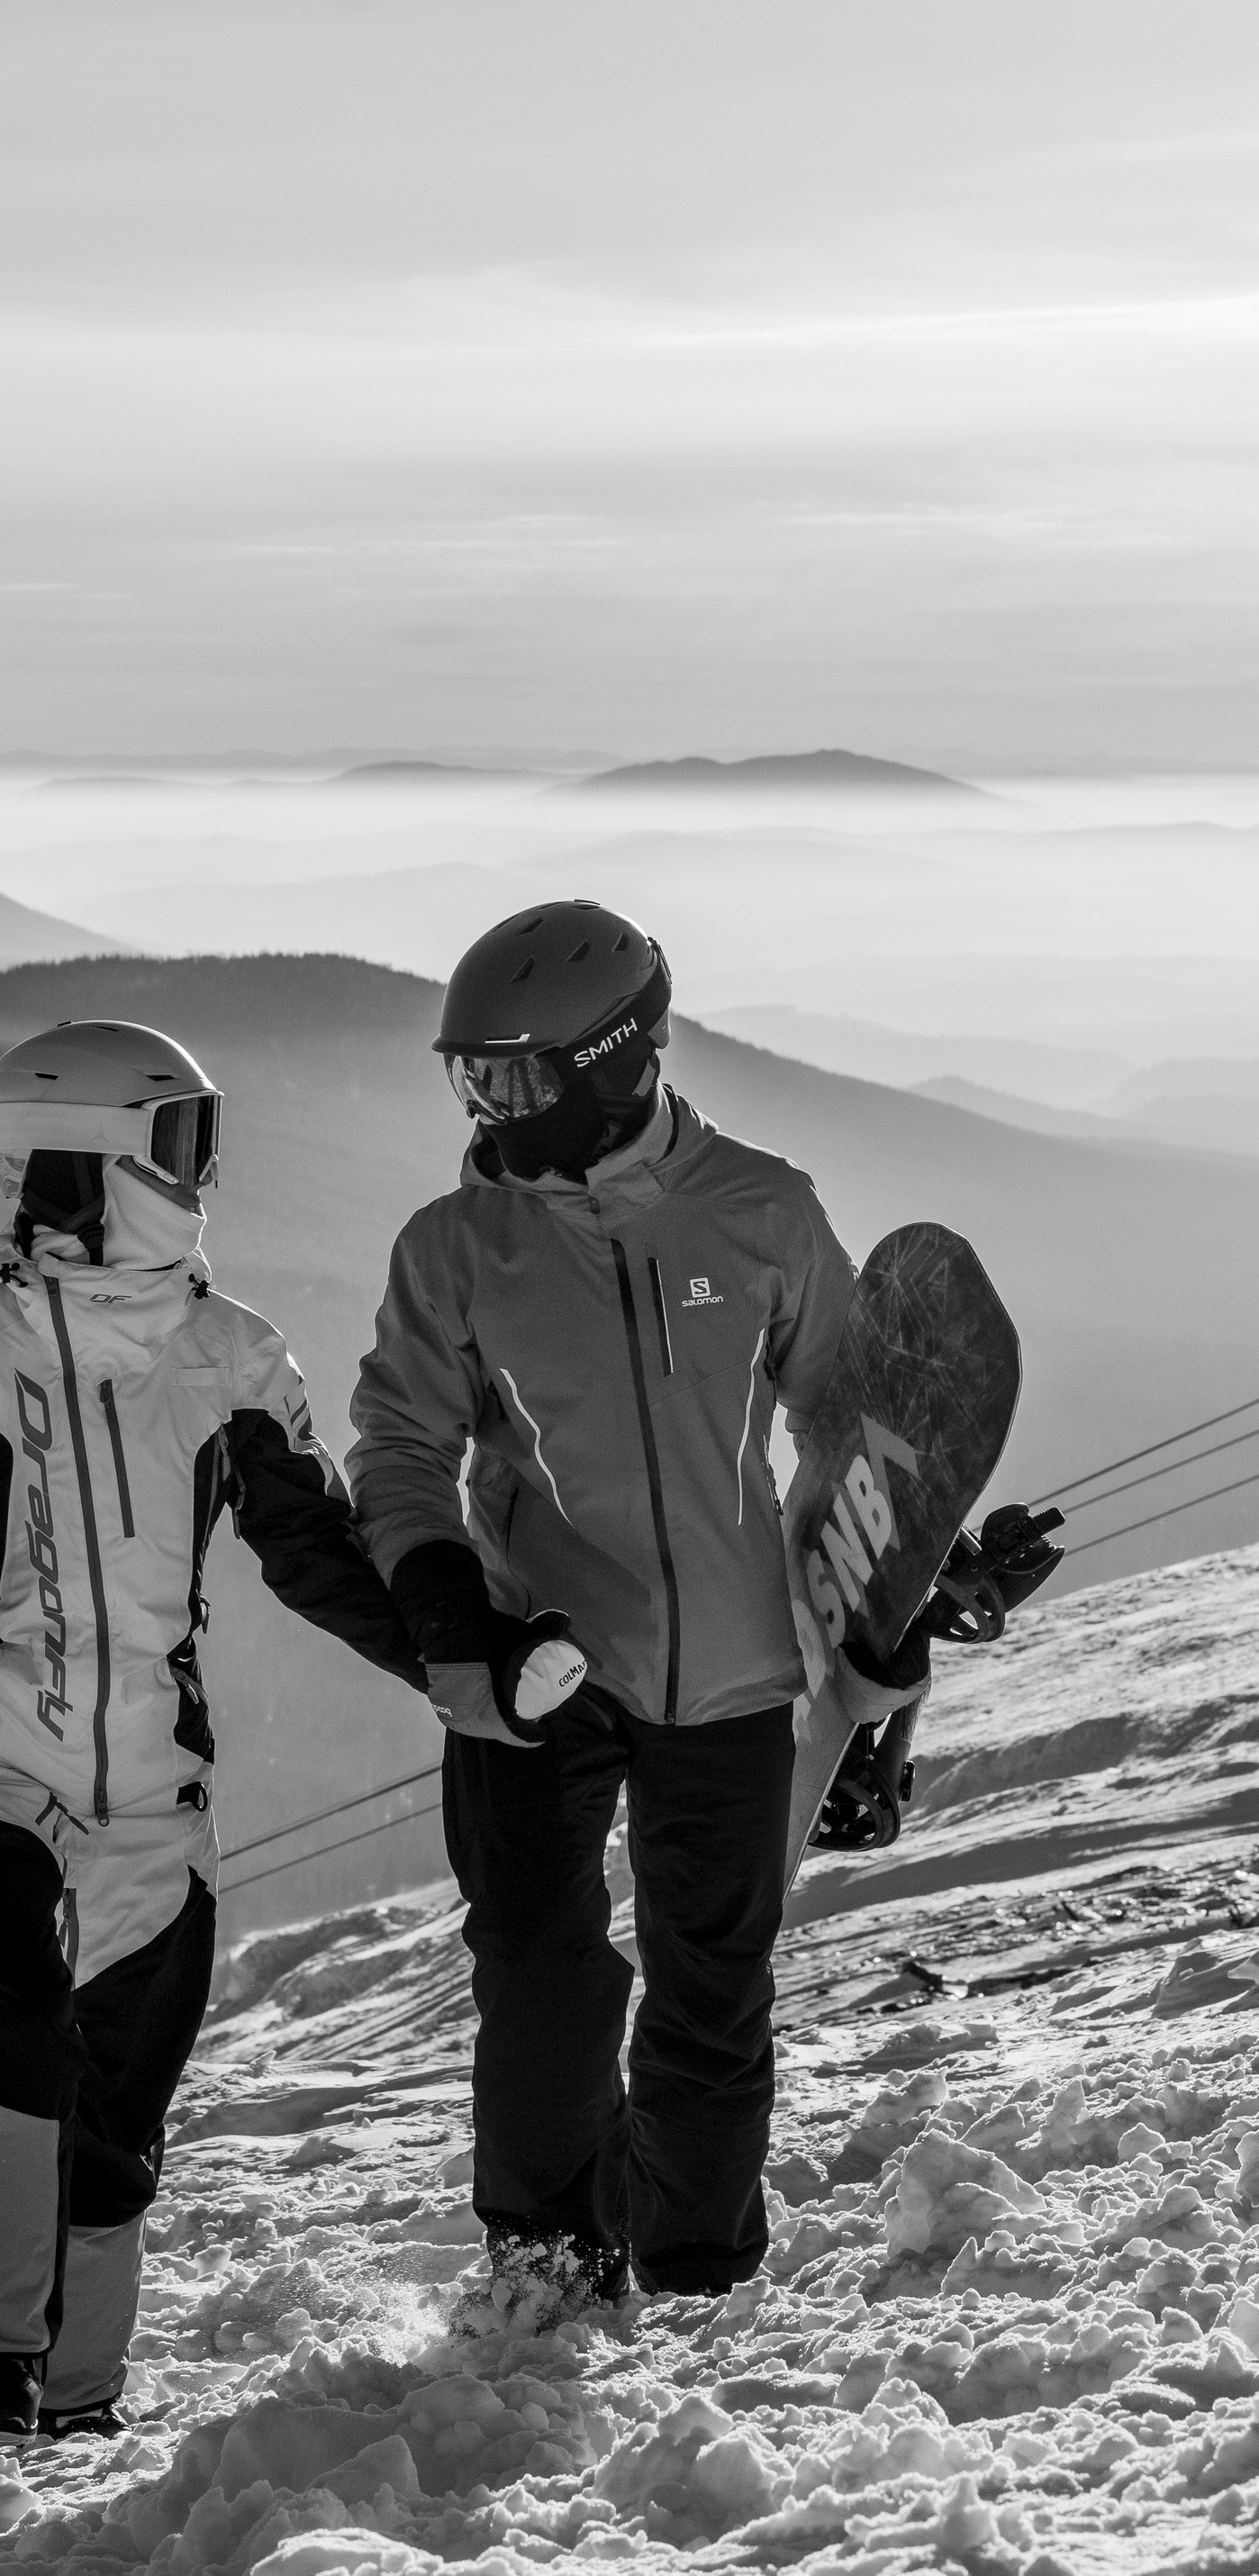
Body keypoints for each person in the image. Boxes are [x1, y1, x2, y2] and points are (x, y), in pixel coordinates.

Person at [0, 1019, 430, 2442]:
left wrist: (465, 1671)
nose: (203, 1171)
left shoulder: (229, 1352)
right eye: (180, 1139)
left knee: (124, 2090)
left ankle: (73, 2403)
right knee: (19, 2018)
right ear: (93, 1158)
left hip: (152, 1771)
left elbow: (317, 1553)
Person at [347, 901, 926, 2315]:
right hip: (533, 1659)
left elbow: (846, 1423)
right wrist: (440, 1594)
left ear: (611, 1063)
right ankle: (551, 2271)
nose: (485, 1109)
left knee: (712, 1984)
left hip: (731, 1662)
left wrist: (908, 1572)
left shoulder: (762, 1210)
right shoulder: (457, 1246)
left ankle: (697, 2274)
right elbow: (401, 1445)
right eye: (469, 1078)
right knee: (538, 1970)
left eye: (512, 1078)